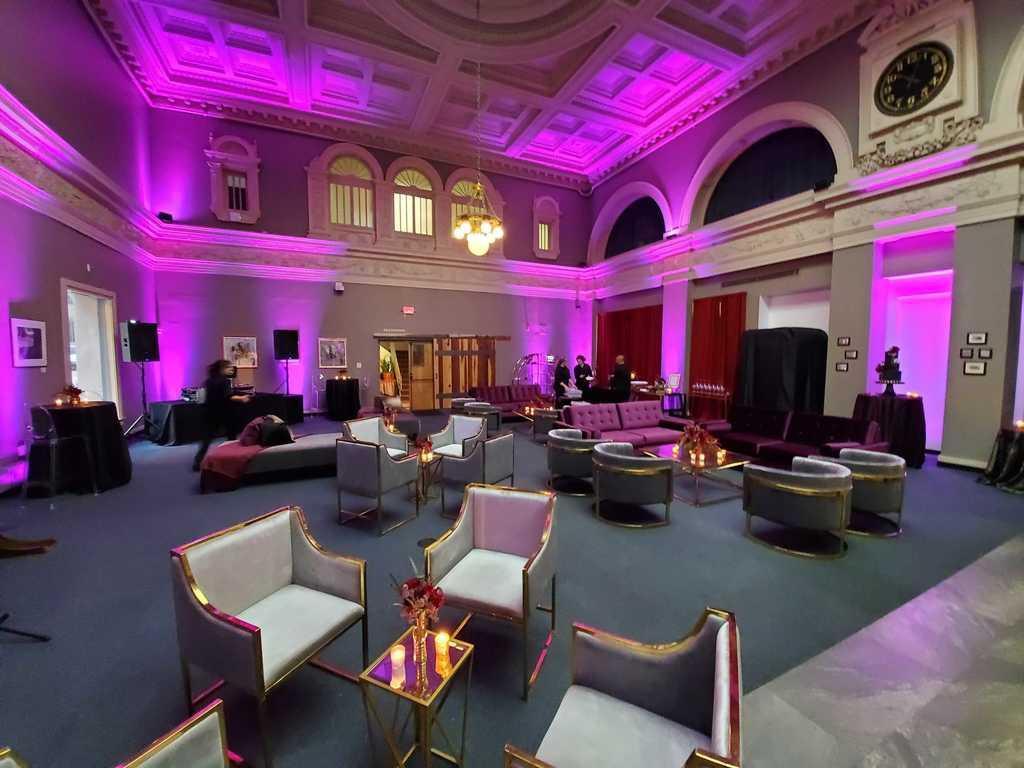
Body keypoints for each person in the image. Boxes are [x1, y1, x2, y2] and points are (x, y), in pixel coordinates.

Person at [192, 359, 248, 471]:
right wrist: (242, 398)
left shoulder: (208, 381)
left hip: (209, 413)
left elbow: (204, 397)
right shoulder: (225, 381)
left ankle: (197, 462)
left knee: (206, 439)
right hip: (225, 413)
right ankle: (232, 460)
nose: (232, 369)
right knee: (231, 437)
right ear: (222, 369)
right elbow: (229, 396)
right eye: (229, 367)